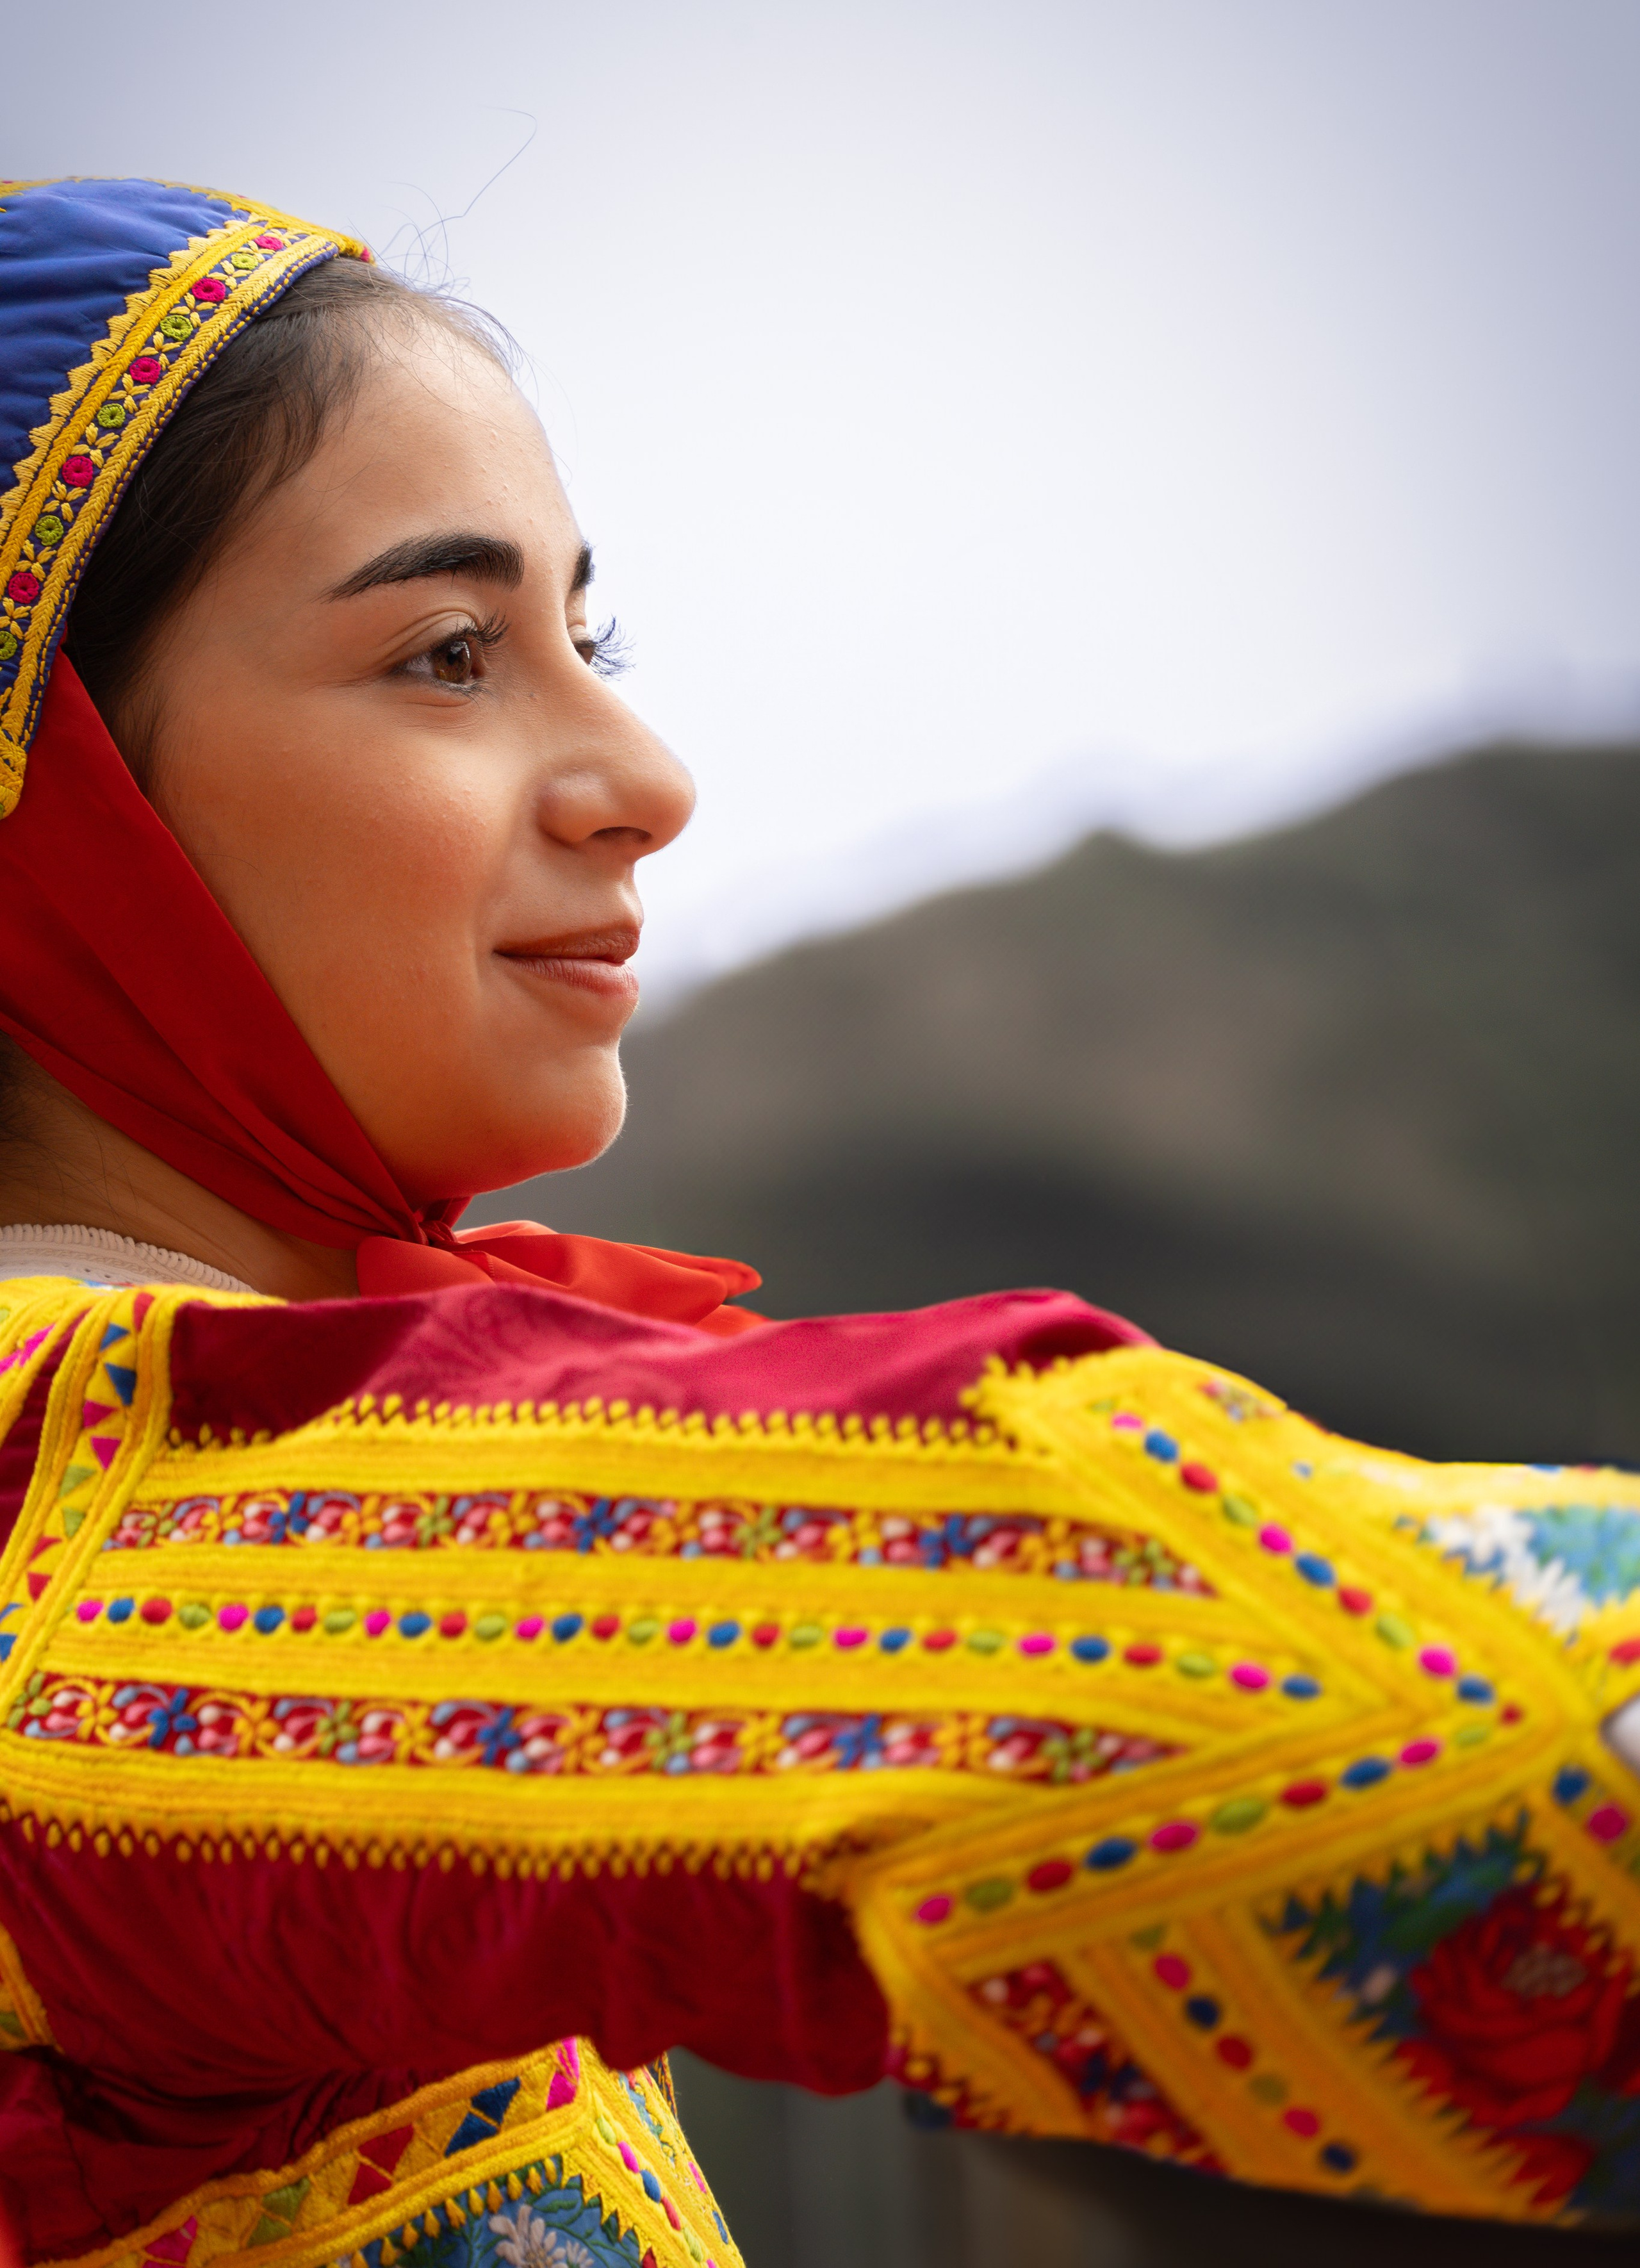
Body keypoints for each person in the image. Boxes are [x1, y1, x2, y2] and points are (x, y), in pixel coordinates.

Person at [0, 177, 1636, 2267]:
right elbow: (1387, 1731)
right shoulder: (112, 1545)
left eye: (589, 638)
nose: (641, 768)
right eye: (443, 654)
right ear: (58, 800)